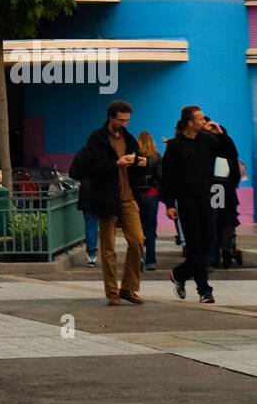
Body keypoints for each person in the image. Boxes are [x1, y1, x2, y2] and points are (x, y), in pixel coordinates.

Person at [69, 100, 145, 306]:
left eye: (127, 120)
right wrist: (115, 164)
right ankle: (112, 292)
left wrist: (140, 162)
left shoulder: (129, 139)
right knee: (108, 248)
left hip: (129, 196)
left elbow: (137, 167)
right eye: (121, 120)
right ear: (111, 117)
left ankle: (128, 287)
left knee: (137, 241)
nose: (124, 124)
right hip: (106, 197)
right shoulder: (97, 139)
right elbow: (90, 169)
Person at [162, 106, 237, 303]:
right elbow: (168, 177)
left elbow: (231, 154)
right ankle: (205, 291)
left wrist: (222, 134)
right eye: (201, 119)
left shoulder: (209, 141)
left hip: (206, 198)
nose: (205, 122)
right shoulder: (175, 145)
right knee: (195, 246)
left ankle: (180, 274)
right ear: (190, 122)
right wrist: (169, 204)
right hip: (186, 201)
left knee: (207, 244)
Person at [205, 121, 244, 269]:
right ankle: (227, 249)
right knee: (227, 224)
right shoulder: (229, 155)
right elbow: (236, 176)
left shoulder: (210, 152)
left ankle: (214, 257)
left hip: (213, 189)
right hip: (228, 190)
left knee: (213, 224)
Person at [134, 131, 164, 270]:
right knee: (150, 228)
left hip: (136, 195)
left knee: (137, 228)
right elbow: (161, 177)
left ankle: (139, 256)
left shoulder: (134, 158)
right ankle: (151, 261)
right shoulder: (157, 158)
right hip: (152, 195)